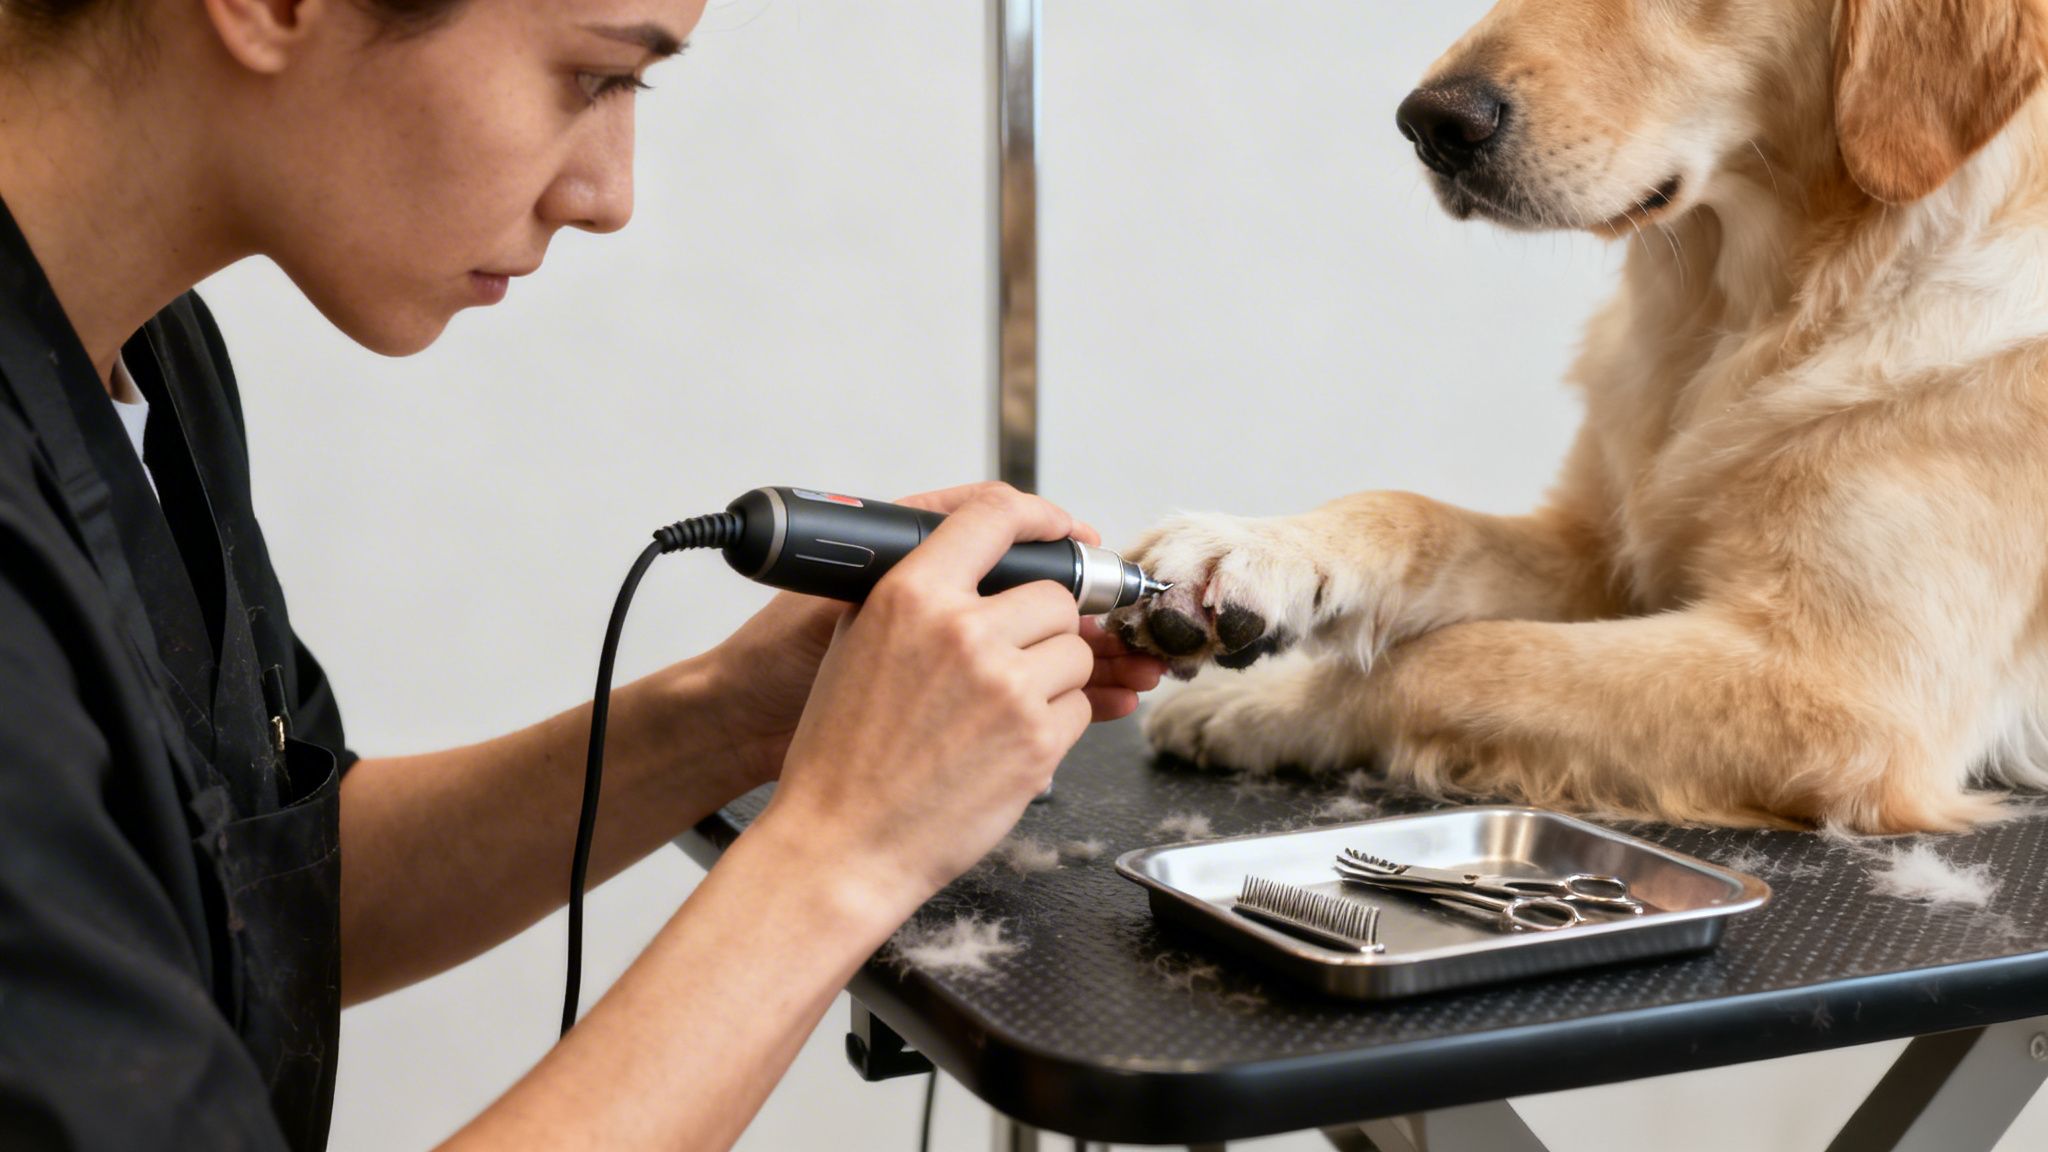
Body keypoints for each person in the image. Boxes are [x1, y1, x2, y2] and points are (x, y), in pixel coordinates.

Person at [0, 0, 1166, 1147]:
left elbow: (244, 893)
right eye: (594, 76)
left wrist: (728, 719)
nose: (609, 196)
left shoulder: (142, 355)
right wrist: (841, 855)